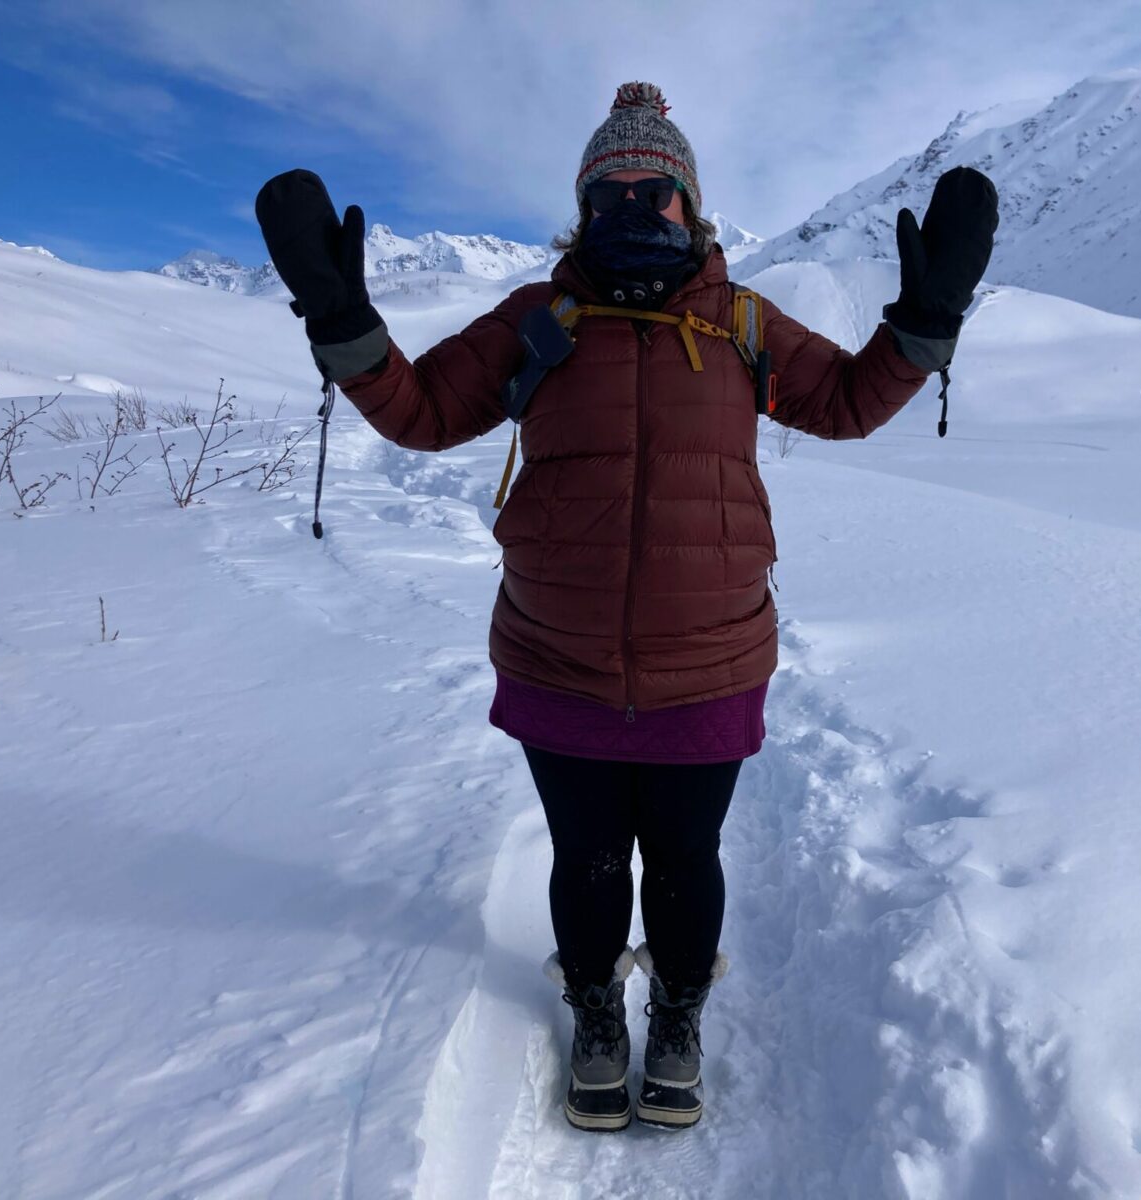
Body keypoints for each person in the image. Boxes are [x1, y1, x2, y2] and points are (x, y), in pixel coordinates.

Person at [255, 80, 998, 1134]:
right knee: (590, 858)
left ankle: (679, 1019)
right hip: (557, 657)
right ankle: (598, 1012)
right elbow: (420, 412)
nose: (636, 208)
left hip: (711, 656)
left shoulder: (742, 321)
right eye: (613, 190)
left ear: (691, 209)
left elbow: (839, 404)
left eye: (658, 191)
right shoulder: (537, 319)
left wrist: (924, 326)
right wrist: (342, 323)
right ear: (581, 206)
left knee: (688, 859)